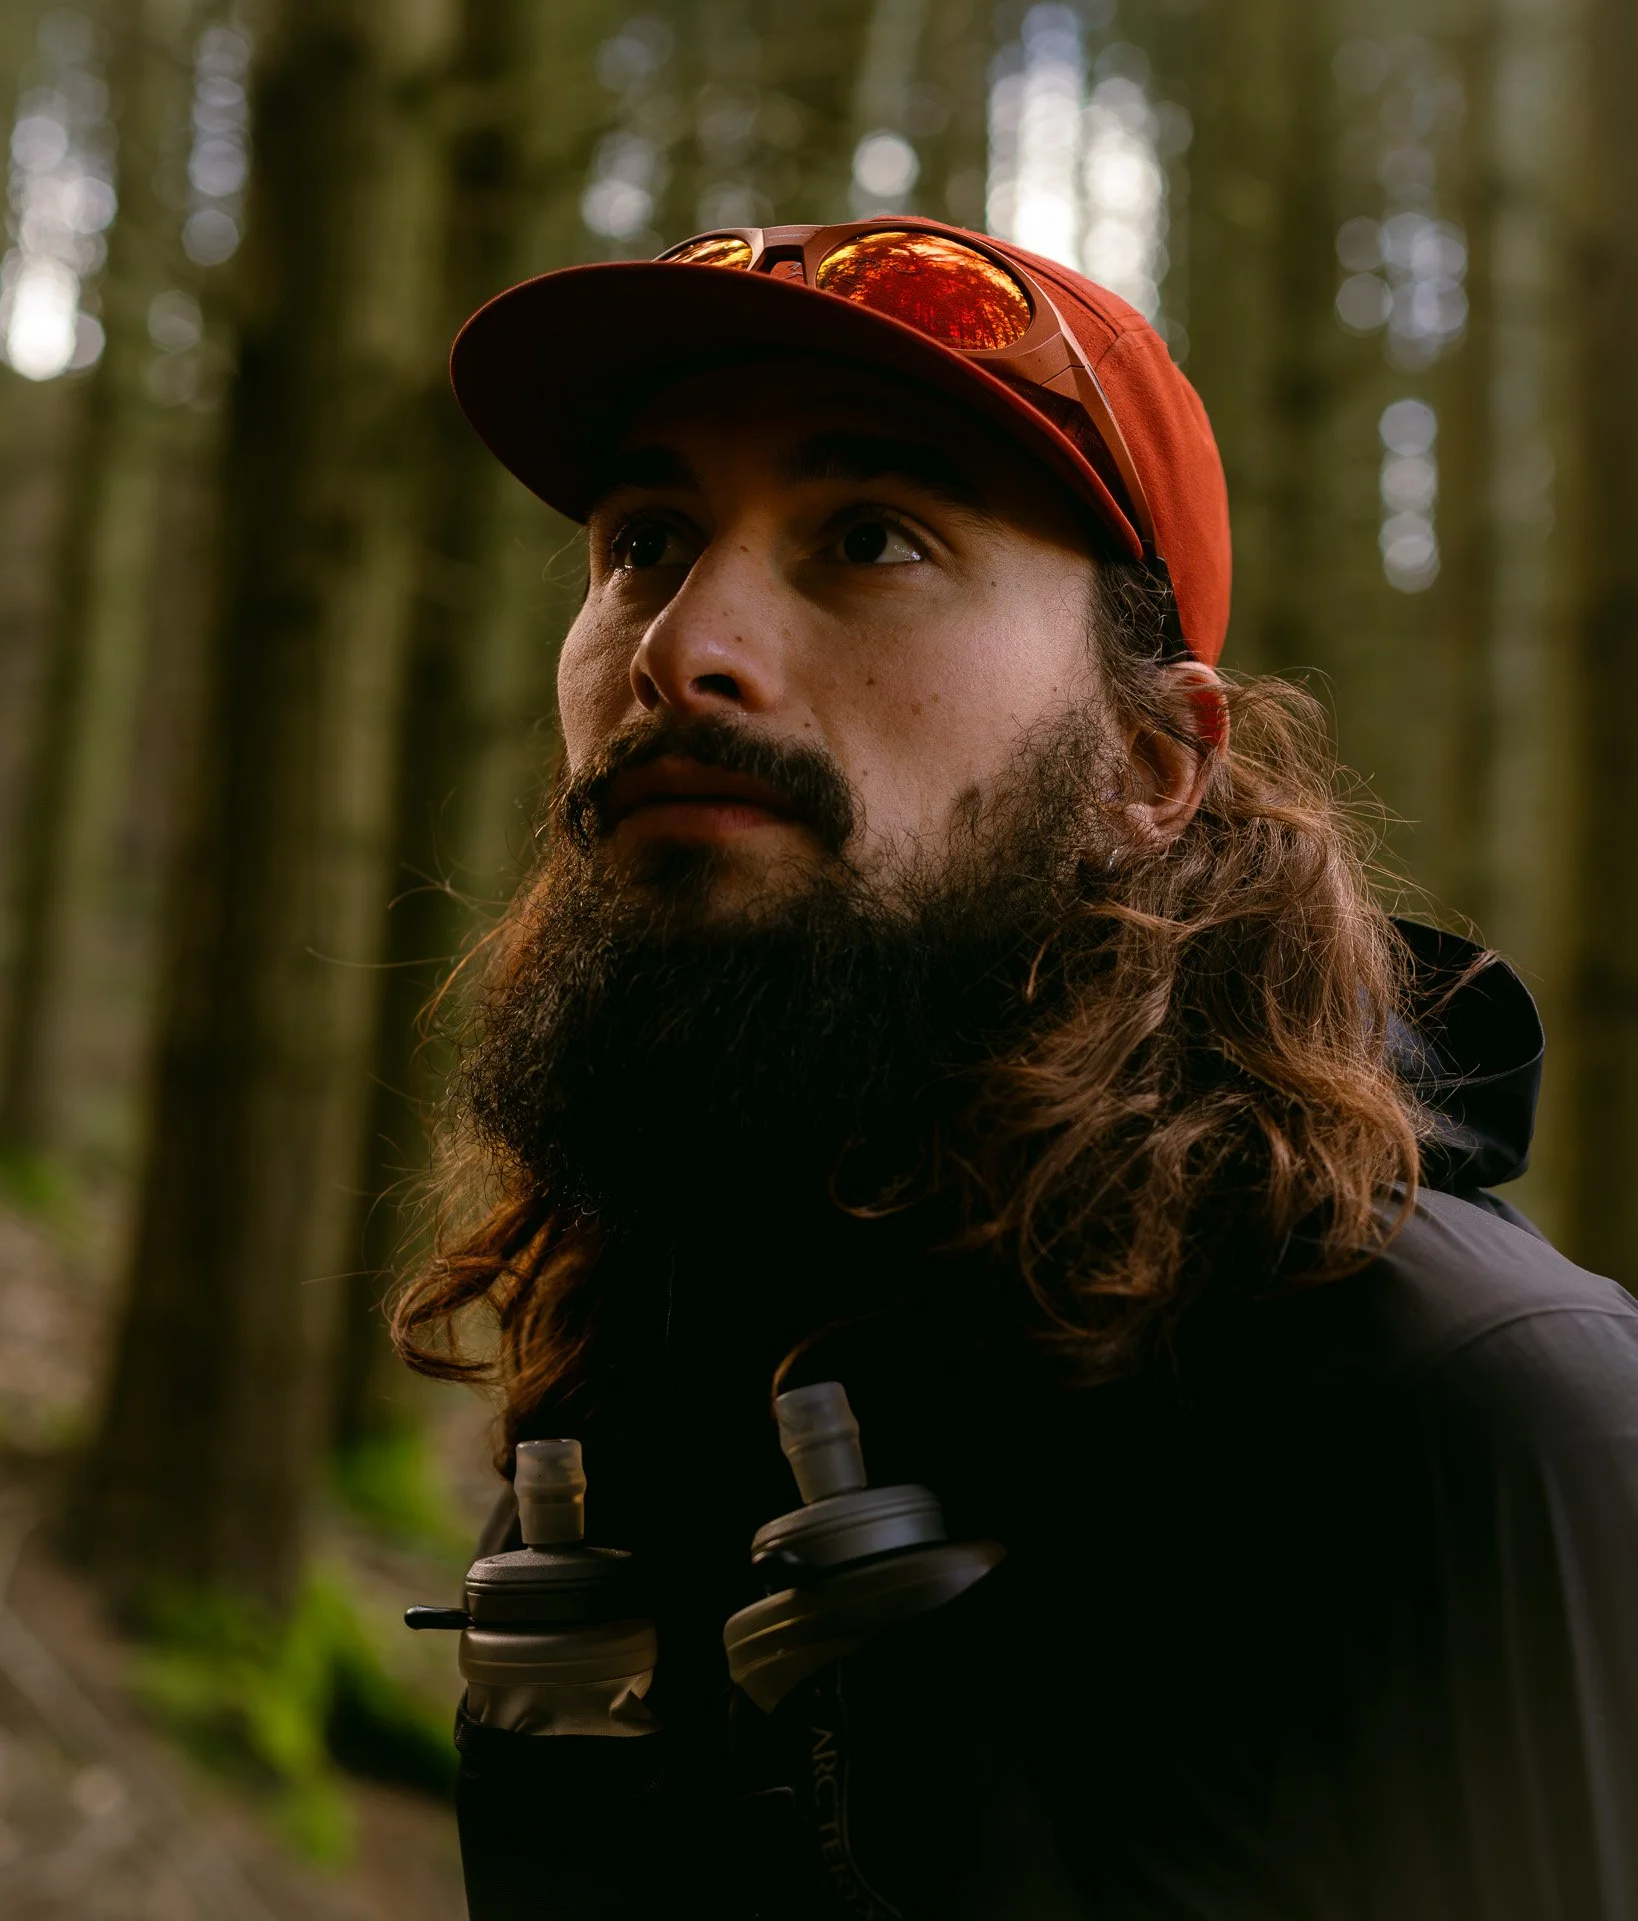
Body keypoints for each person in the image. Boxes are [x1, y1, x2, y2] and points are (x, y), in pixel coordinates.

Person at [395, 220, 1638, 1919]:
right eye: (646, 541)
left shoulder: (1462, 1415)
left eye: (870, 537)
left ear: (1148, 761)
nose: (684, 647)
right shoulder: (644, 1375)